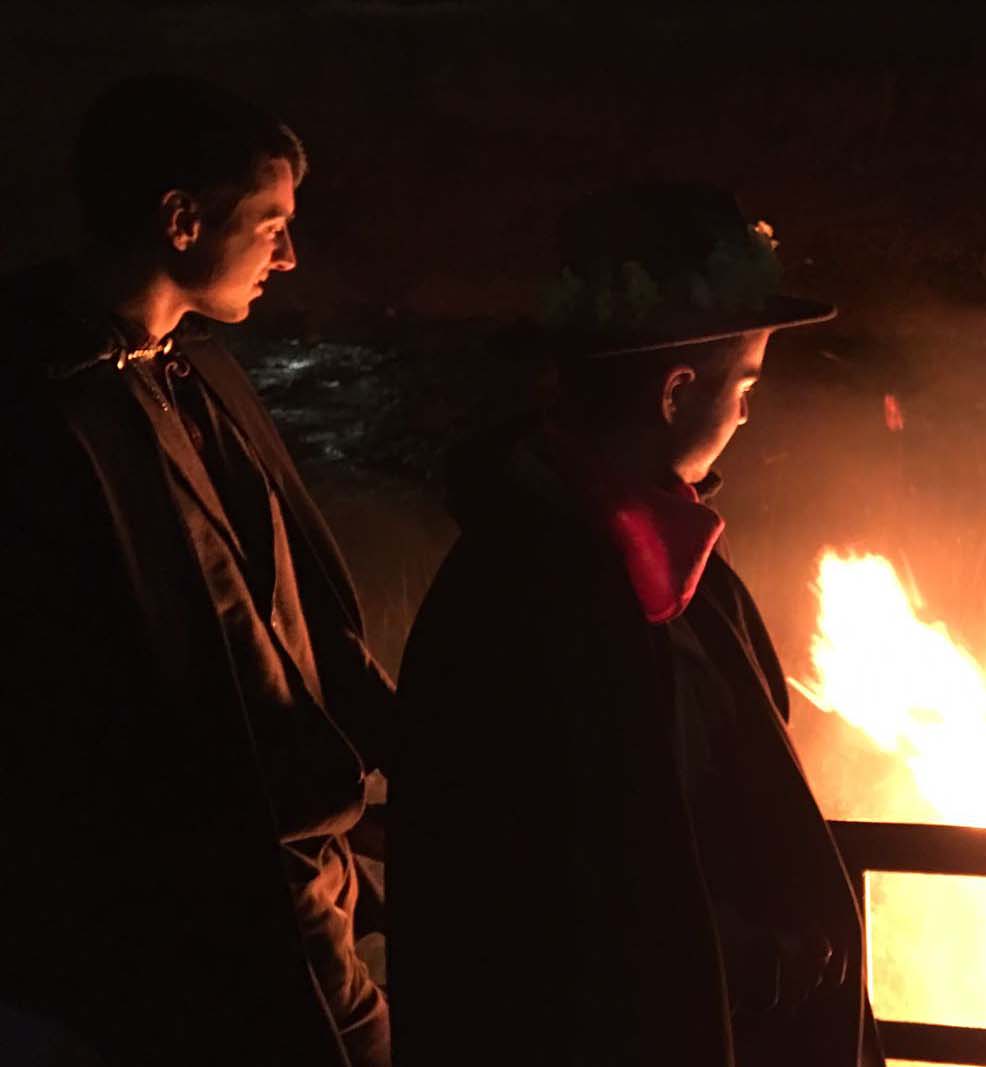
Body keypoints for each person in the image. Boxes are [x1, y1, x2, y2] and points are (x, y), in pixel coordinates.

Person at [390, 183, 883, 1066]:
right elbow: (545, 896)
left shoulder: (672, 562)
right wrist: (735, 957)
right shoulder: (528, 596)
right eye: (745, 385)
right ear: (676, 391)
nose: (747, 412)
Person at [0, 76, 394, 1065]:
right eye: (271, 225)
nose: (288, 255)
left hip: (302, 873)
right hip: (173, 926)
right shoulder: (40, 414)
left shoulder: (197, 370)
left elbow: (295, 606)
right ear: (180, 220)